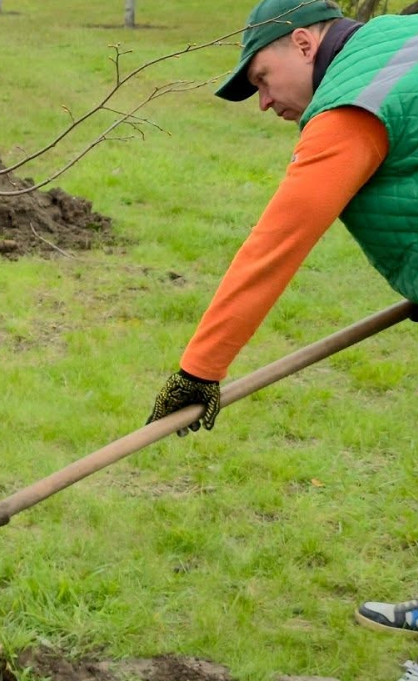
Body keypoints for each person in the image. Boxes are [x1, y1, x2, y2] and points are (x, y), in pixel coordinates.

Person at [144, 0, 415, 641]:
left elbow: (276, 246)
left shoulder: (350, 108)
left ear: (301, 43)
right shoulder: (400, 37)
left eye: (262, 79)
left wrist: (198, 371)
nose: (263, 103)